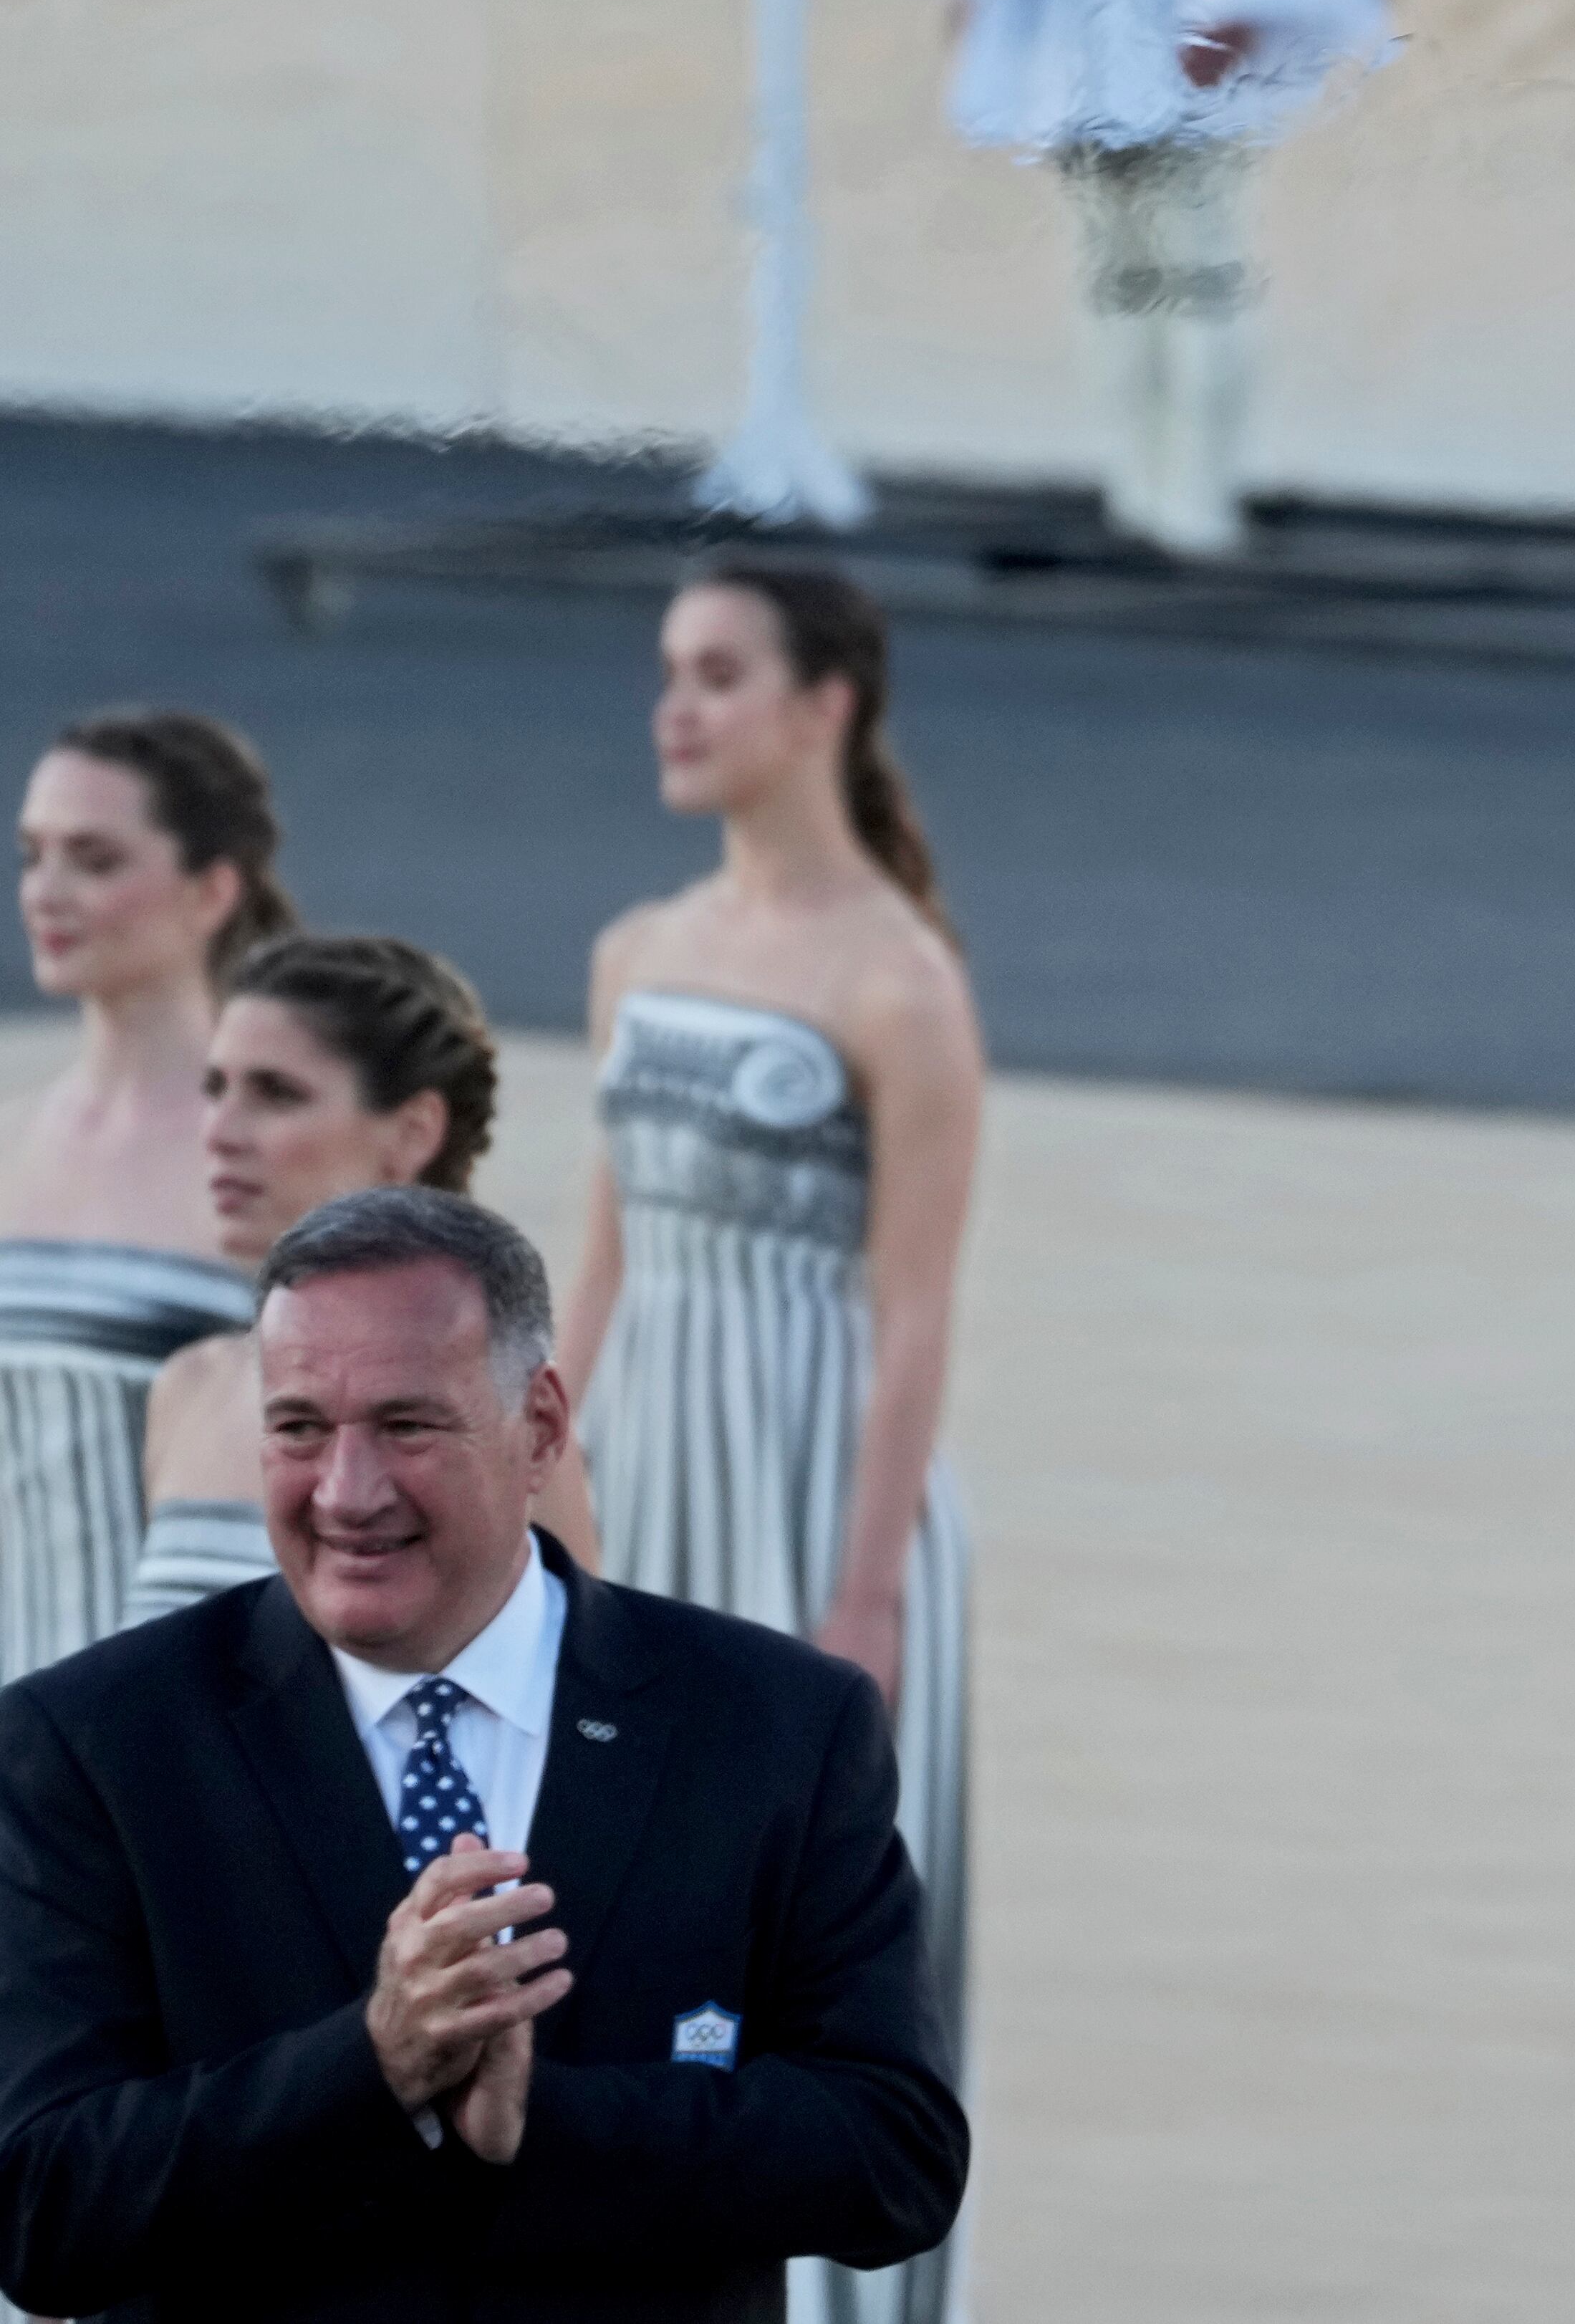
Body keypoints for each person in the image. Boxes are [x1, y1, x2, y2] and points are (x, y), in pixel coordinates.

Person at [0, 1186, 965, 2316]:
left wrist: (545, 2129)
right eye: (300, 1426)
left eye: (407, 1425)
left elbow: (895, 2152)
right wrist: (371, 2066)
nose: (347, 1493)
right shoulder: (98, 1744)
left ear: (541, 1427)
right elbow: (40, 2207)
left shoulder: (775, 1725)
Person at [562, 562, 981, 2324]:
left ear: (827, 706)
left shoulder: (900, 980)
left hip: (817, 1487)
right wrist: (537, 1484)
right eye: (669, 670)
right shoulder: (636, 952)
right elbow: (595, 1261)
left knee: (818, 1935)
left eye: (719, 674)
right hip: (647, 1460)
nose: (677, 705)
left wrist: (863, 1603)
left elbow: (912, 1313)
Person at [130, 933, 597, 1623]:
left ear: (413, 1131)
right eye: (216, 1088)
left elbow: (577, 1679)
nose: (220, 1130)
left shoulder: (503, 1412)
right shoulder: (188, 1391)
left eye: (276, 1093)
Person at [877, 0, 1391, 556]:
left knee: (1196, 277)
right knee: (1118, 276)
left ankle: (1196, 504)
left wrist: (1231, 13)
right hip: (1080, 44)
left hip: (1180, 34)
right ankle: (1138, 494)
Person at [0, 709, 297, 1681]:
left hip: (174, 1742)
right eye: (33, 854)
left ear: (212, 887)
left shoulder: (282, 1150)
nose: (46, 892)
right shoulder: (13, 1133)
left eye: (94, 859)